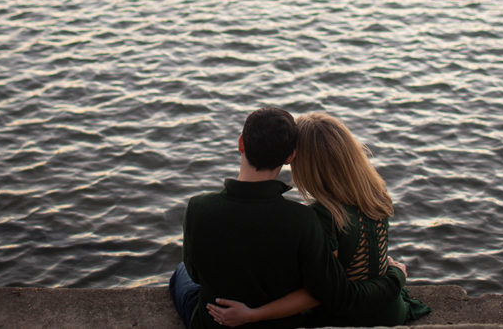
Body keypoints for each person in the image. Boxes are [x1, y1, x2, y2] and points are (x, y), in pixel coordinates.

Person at [170, 107, 407, 329]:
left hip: (216, 318)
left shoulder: (197, 207)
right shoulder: (305, 218)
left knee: (182, 273)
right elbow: (323, 288)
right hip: (285, 319)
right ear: (289, 156)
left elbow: (195, 273)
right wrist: (395, 275)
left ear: (241, 143)